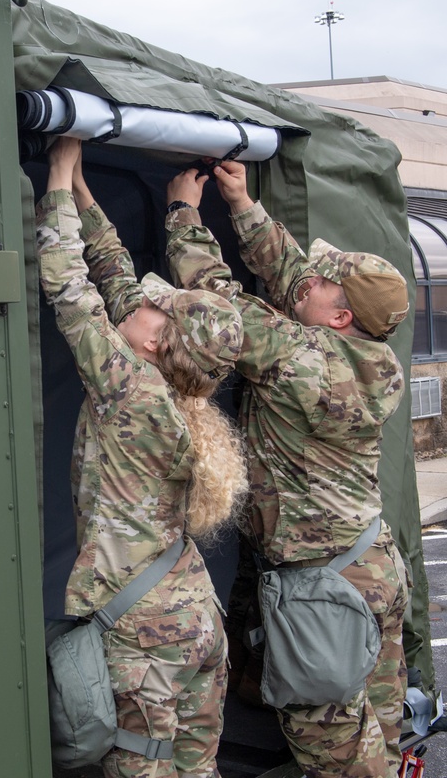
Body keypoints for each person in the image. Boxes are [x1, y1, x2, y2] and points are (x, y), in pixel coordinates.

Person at [164, 160, 411, 778]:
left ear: (340, 317)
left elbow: (218, 310)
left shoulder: (300, 357)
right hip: (371, 567)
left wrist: (182, 215)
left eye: (329, 282)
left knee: (341, 760)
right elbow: (299, 279)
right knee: (379, 729)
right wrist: (242, 202)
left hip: (321, 591)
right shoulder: (375, 358)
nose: (311, 277)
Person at [38, 136, 248, 778]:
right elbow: (112, 272)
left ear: (158, 342)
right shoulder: (174, 386)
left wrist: (54, 174)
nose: (148, 301)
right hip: (191, 615)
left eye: (161, 308)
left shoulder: (132, 391)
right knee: (197, 766)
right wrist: (78, 185)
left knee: (146, 767)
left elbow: (68, 284)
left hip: (147, 633)